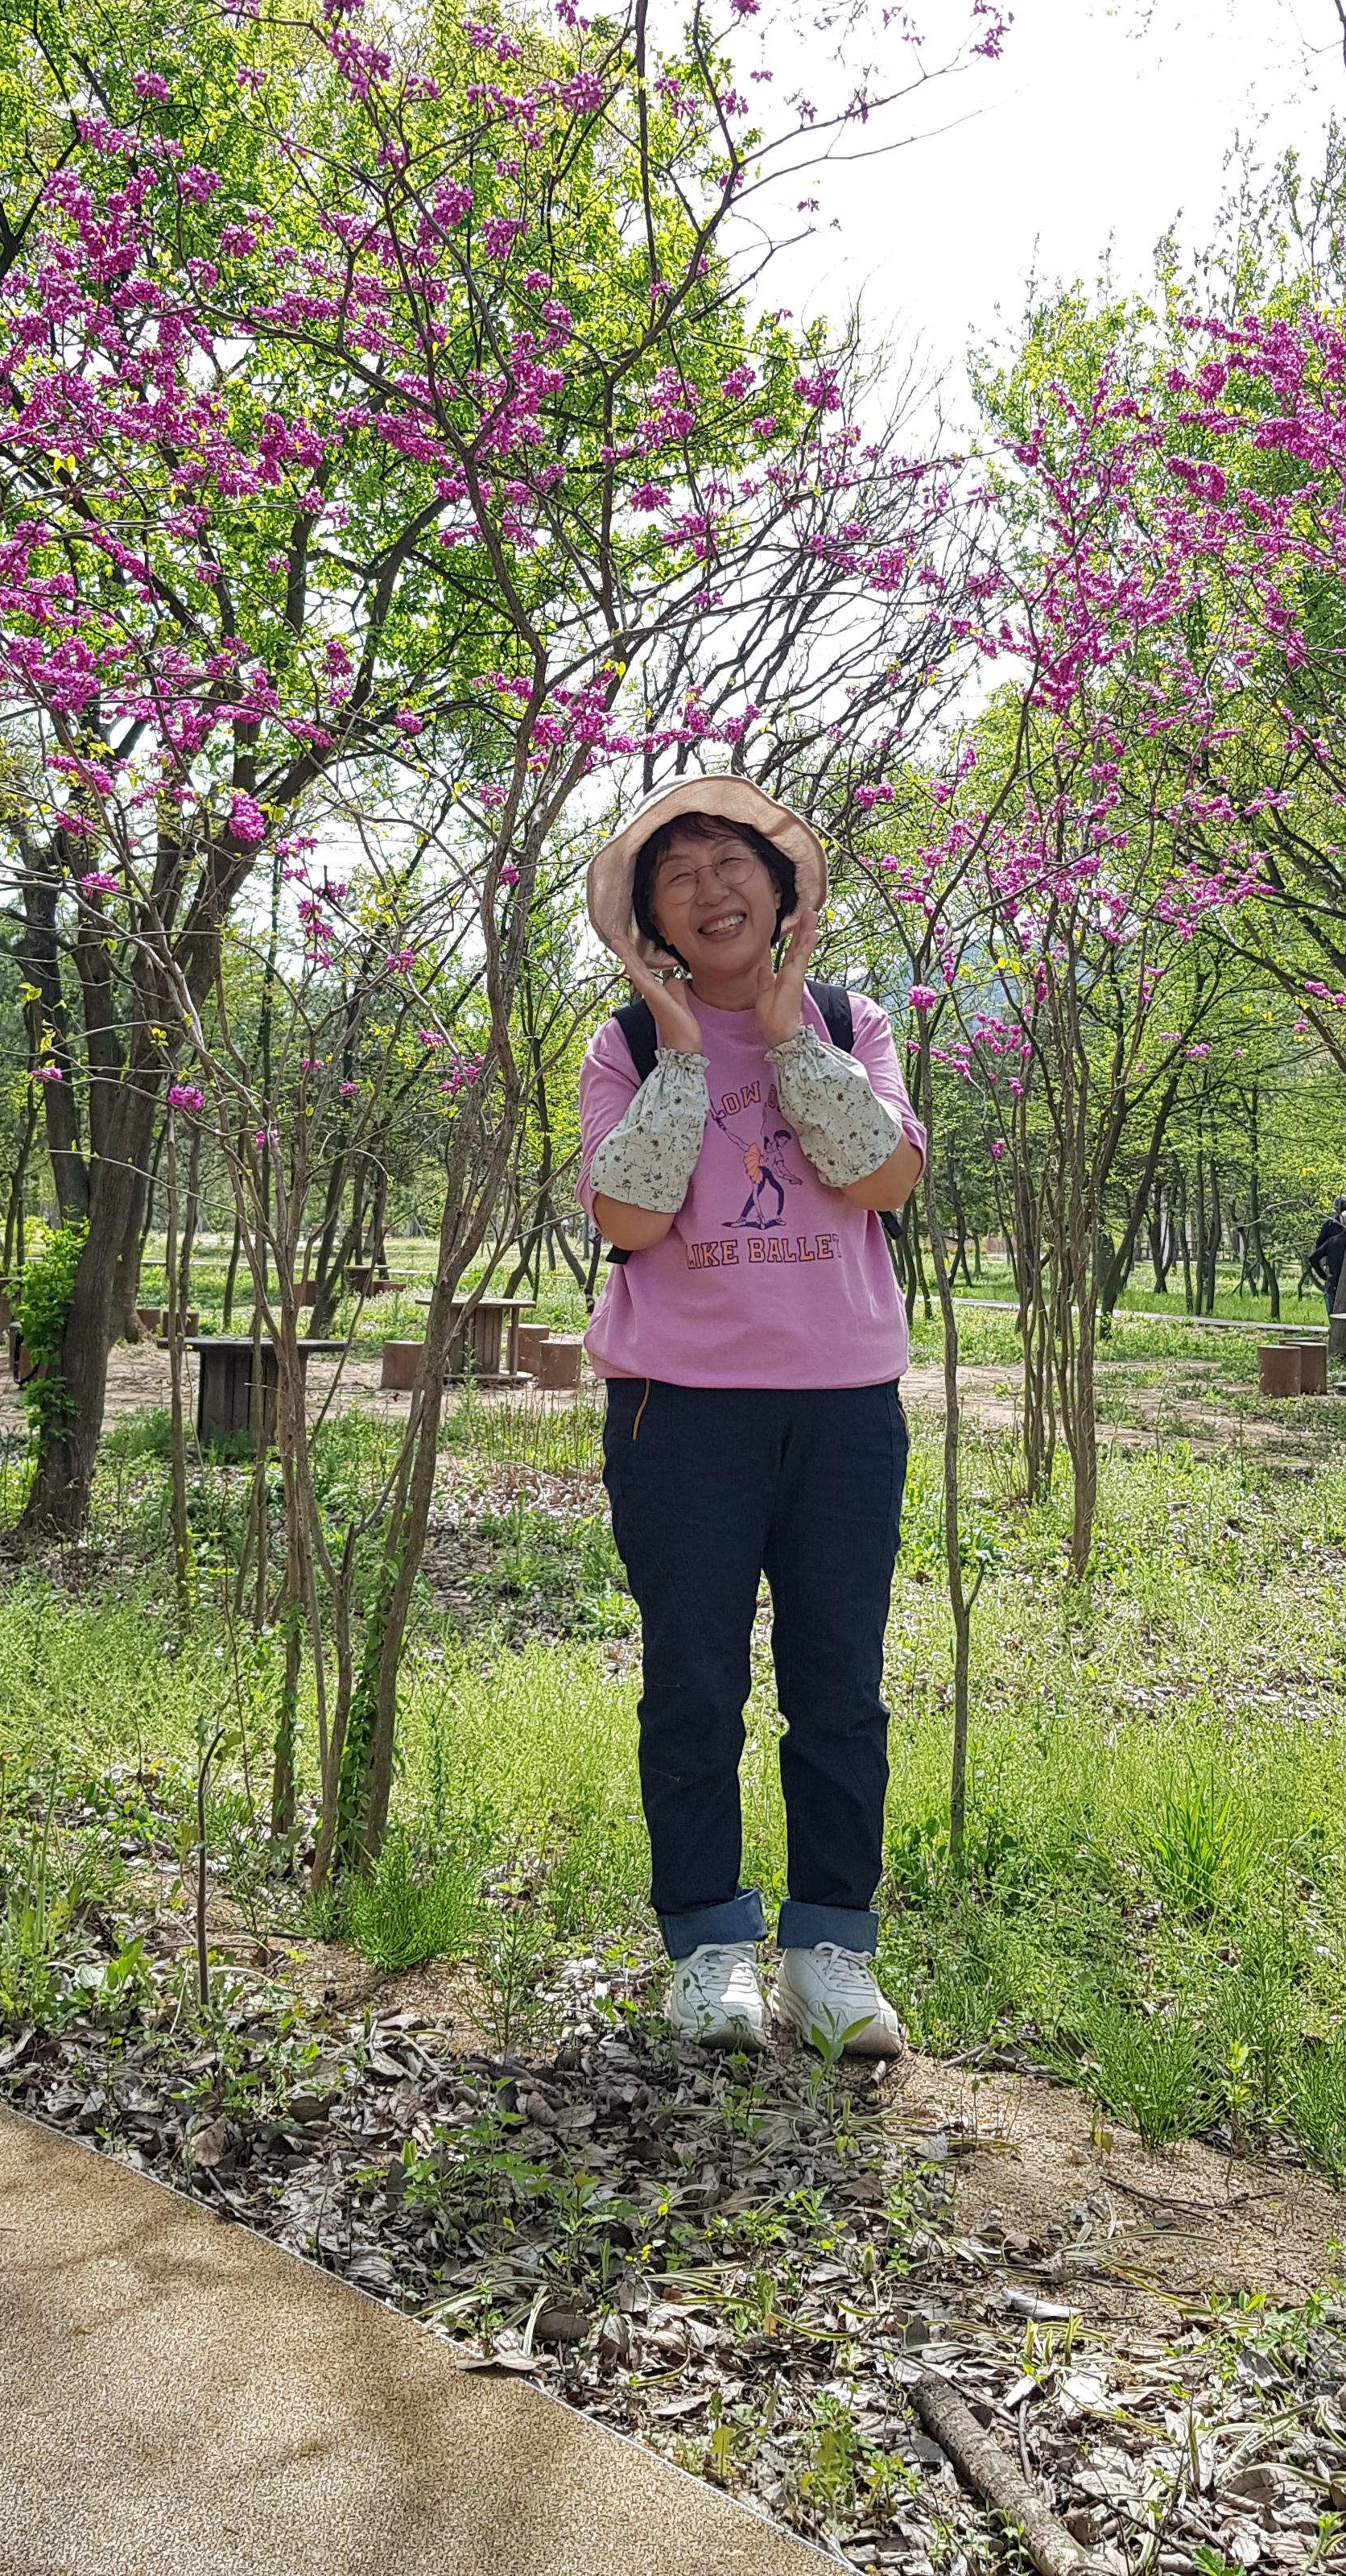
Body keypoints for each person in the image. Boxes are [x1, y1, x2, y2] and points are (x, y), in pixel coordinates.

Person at [578, 773, 925, 2058]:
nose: (712, 891)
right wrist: (683, 1048)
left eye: (735, 865)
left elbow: (882, 1175)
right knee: (694, 1684)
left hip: (842, 1409)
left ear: (783, 894)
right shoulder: (623, 1046)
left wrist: (788, 1037)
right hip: (681, 1414)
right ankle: (708, 1949)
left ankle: (832, 1954)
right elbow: (628, 1214)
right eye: (679, 877)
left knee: (840, 1688)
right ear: (651, 923)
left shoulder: (849, 1021)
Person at [1304, 1199, 1346, 1313]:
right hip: (1333, 1265)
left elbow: (1314, 1256)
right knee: (1331, 1293)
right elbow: (1319, 1247)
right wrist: (1324, 1275)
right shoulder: (1330, 1224)